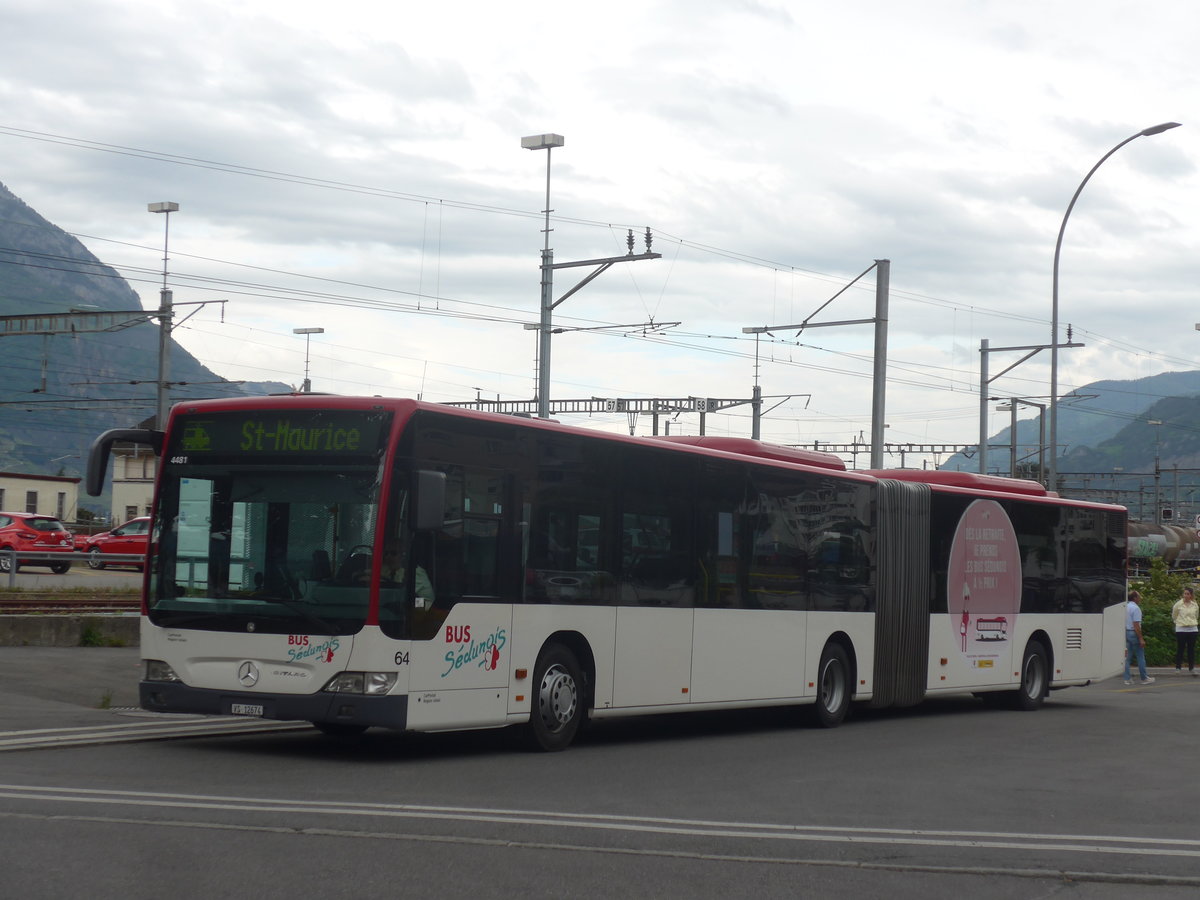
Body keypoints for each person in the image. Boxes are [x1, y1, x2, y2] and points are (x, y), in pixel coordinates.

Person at [1124, 590, 1155, 686]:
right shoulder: (1136, 608)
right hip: (1134, 633)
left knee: (1127, 658)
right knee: (1140, 656)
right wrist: (1141, 638)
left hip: (1126, 632)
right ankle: (1144, 678)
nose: (1140, 598)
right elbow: (1136, 625)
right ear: (1135, 598)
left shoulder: (1125, 607)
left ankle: (1127, 678)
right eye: (1139, 596)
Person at [1171, 586, 1199, 675]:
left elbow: (1196, 615)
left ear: (1191, 595)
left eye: (1188, 594)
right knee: (1181, 648)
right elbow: (1174, 615)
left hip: (1192, 629)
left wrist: (1191, 622)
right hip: (1181, 629)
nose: (1186, 595)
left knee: (1191, 649)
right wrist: (1178, 622)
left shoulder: (1195, 605)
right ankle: (1178, 667)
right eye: (1185, 593)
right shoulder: (1178, 604)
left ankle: (1192, 668)